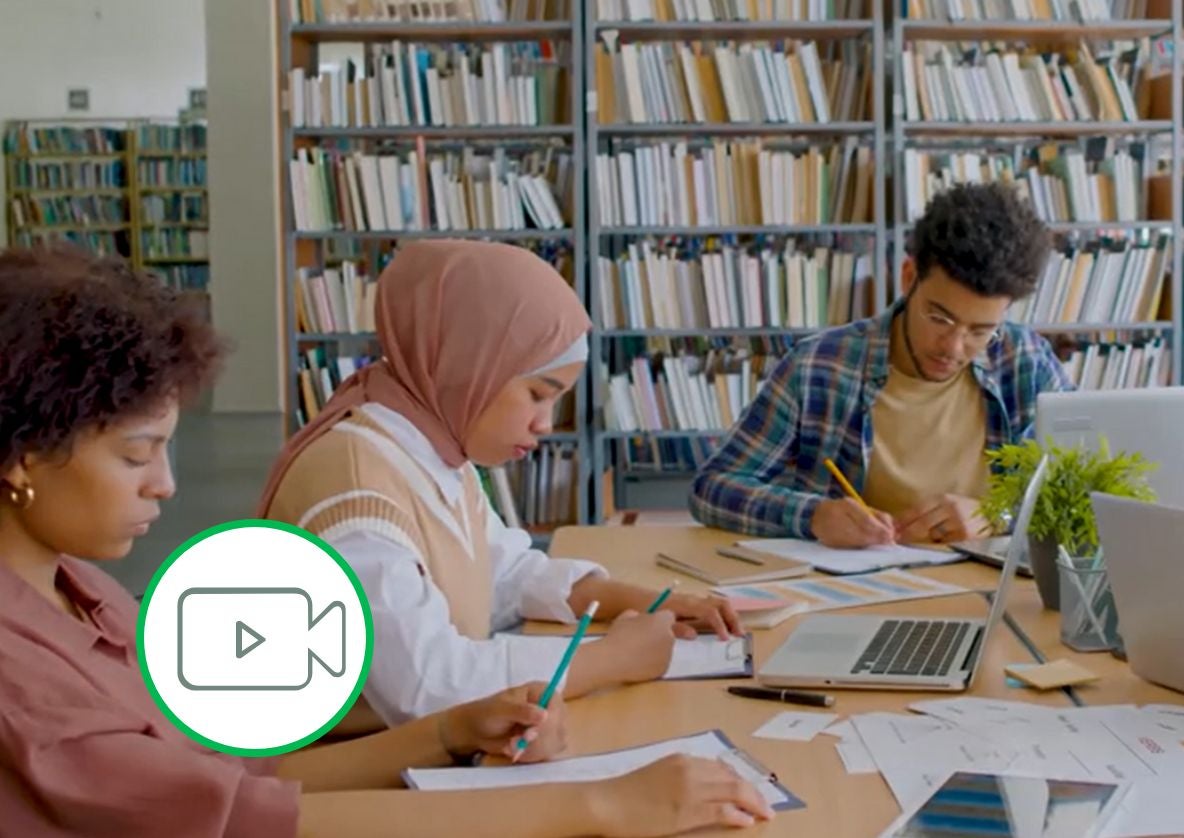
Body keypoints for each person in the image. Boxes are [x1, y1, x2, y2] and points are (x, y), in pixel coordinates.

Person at [0, 245, 773, 836]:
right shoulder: (23, 681)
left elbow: (227, 770)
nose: (167, 485)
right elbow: (248, 818)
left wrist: (443, 737)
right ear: (21, 456)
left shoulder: (84, 593)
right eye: (137, 455)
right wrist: (598, 804)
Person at [256, 240, 743, 731]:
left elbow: (502, 573)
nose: (545, 424)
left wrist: (642, 601)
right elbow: (431, 688)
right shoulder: (356, 490)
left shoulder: (432, 444)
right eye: (537, 394)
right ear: (470, 365)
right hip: (347, 780)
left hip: (418, 756)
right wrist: (611, 660)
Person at [689, 182, 1069, 548]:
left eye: (981, 330)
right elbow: (714, 487)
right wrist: (812, 516)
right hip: (858, 592)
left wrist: (999, 515)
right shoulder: (819, 366)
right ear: (908, 278)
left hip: (989, 590)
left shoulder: (1025, 362)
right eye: (939, 318)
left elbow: (1084, 494)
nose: (953, 347)